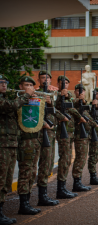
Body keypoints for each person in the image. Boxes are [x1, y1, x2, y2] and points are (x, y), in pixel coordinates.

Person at [0, 74, 34, 224]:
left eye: (5, 82)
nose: (4, 85)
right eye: (0, 83)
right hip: (2, 145)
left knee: (7, 180)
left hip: (11, 143)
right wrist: (26, 95)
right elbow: (12, 106)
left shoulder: (8, 97)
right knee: (1, 179)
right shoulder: (4, 101)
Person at [17, 76, 51, 215]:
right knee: (25, 172)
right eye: (26, 85)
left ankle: (27, 202)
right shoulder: (18, 98)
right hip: (24, 141)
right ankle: (23, 204)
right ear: (20, 86)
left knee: (32, 172)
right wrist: (27, 95)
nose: (29, 87)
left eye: (31, 85)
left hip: (35, 140)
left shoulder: (33, 99)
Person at [36, 71, 68, 206]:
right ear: (38, 80)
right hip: (39, 132)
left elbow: (56, 110)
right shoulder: (35, 93)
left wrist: (52, 104)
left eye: (48, 78)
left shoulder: (54, 95)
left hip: (51, 133)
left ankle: (45, 194)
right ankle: (42, 196)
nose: (45, 80)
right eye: (43, 78)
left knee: (48, 164)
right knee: (42, 164)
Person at [55, 76, 86, 199]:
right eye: (63, 83)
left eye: (67, 83)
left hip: (70, 132)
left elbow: (73, 105)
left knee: (68, 159)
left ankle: (63, 187)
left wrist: (80, 100)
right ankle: (60, 189)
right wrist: (60, 96)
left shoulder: (70, 97)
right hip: (63, 132)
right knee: (65, 159)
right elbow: (55, 107)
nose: (65, 85)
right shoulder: (55, 95)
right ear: (58, 84)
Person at [71, 84, 98, 192]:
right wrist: (79, 101)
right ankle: (76, 182)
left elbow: (90, 115)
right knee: (80, 158)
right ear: (75, 92)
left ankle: (78, 182)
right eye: (78, 91)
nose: (80, 93)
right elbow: (73, 108)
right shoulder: (73, 102)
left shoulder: (85, 104)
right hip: (79, 134)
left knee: (83, 158)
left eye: (82, 91)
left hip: (86, 134)